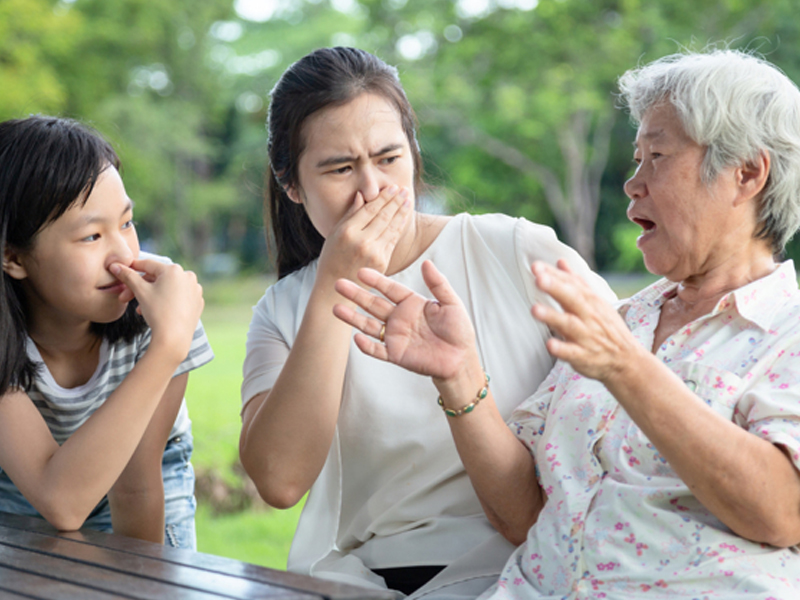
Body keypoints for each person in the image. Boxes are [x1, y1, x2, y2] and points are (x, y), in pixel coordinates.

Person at [334, 48, 800, 598]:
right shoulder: (624, 321)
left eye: (657, 156)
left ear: (746, 173)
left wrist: (628, 369)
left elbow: (783, 513)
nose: (633, 183)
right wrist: (459, 376)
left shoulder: (784, 330)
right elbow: (524, 517)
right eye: (637, 159)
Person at [239, 46, 616, 598]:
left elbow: (629, 383)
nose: (372, 190)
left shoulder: (514, 250)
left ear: (414, 153)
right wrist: (334, 285)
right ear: (292, 185)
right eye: (340, 169)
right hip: (367, 578)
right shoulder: (283, 310)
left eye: (388, 158)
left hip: (527, 566)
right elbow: (279, 480)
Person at [0, 115, 212, 549]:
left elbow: (136, 486)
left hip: (149, 474)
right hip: (21, 481)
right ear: (14, 258)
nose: (122, 256)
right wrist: (168, 347)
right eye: (92, 236)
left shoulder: (162, 306)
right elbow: (60, 501)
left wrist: (168, 343)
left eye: (127, 223)